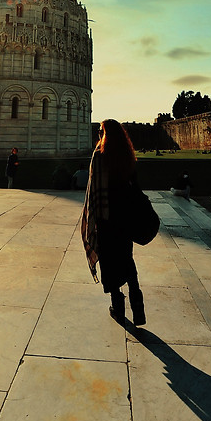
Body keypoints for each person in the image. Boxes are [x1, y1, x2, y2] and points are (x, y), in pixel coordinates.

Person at [81, 119, 146, 326]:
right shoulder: (127, 155)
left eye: (101, 131)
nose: (98, 134)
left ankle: (118, 307)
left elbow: (93, 190)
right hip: (125, 217)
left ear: (106, 134)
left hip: (106, 218)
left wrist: (93, 218)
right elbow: (134, 186)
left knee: (109, 263)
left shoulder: (99, 155)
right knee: (127, 259)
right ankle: (138, 308)